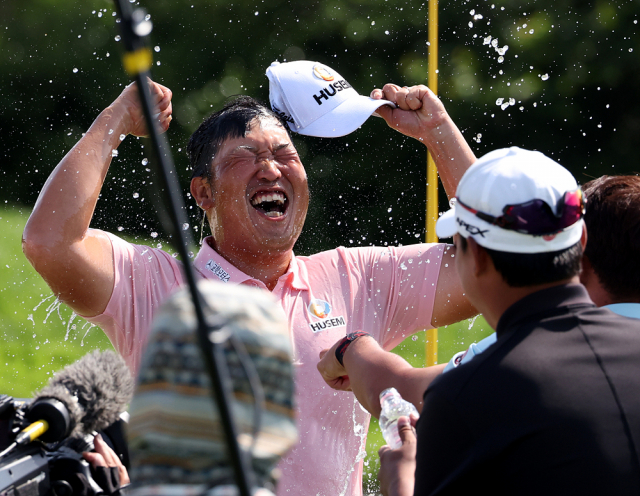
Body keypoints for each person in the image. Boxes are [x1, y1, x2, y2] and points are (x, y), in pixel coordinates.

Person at [22, 67, 477, 495]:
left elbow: (493, 262)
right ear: (203, 193)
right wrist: (114, 122)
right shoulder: (154, 283)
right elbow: (50, 242)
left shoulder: (355, 276)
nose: (272, 168)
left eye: (285, 155)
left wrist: (438, 133)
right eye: (247, 156)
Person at [318, 147, 640, 495]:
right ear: (582, 240)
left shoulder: (466, 398)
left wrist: (401, 486)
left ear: (478, 258)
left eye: (457, 247)